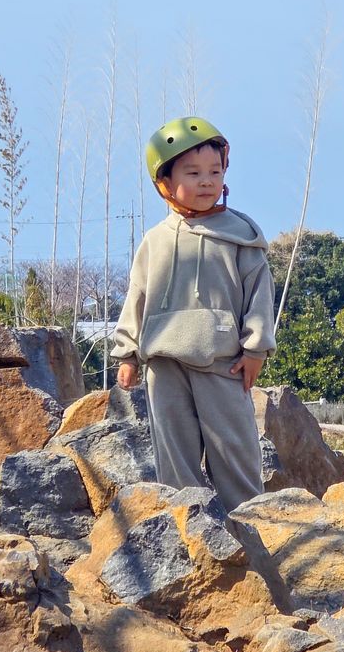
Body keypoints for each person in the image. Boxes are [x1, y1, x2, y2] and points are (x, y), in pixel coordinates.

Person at [111, 116, 274, 514]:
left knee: (236, 457)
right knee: (175, 464)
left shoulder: (241, 236)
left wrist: (255, 350)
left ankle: (249, 536)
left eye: (214, 172)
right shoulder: (155, 241)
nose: (206, 181)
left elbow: (259, 295)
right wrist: (128, 353)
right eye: (193, 172)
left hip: (223, 365)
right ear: (164, 182)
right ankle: (188, 537)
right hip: (164, 367)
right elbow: (138, 297)